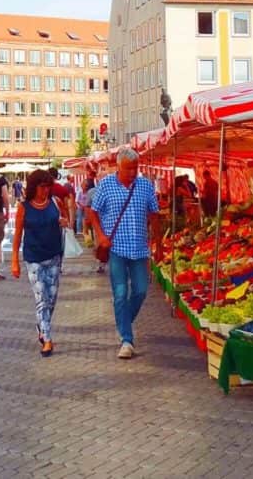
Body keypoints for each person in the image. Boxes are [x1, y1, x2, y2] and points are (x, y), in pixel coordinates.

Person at [89, 147, 161, 360]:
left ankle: (123, 322)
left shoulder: (145, 186)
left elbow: (154, 214)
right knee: (120, 293)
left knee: (140, 291)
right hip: (117, 249)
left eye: (135, 168)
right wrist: (100, 235)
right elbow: (92, 212)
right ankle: (127, 340)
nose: (132, 172)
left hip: (139, 250)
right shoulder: (106, 185)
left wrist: (159, 244)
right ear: (118, 166)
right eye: (128, 168)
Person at [11, 169, 68, 357]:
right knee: (41, 298)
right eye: (42, 187)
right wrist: (15, 261)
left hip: (54, 256)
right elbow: (18, 234)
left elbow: (65, 217)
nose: (45, 191)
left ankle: (41, 326)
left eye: (47, 187)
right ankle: (47, 338)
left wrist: (63, 221)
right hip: (33, 258)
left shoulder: (54, 202)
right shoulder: (24, 207)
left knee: (51, 299)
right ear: (34, 187)